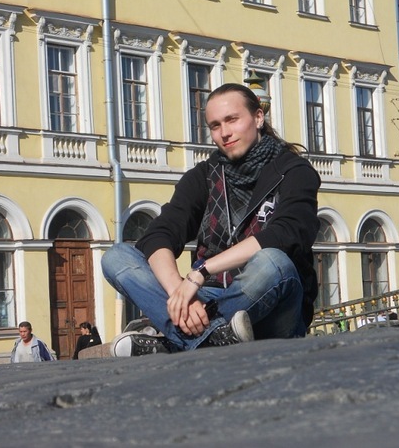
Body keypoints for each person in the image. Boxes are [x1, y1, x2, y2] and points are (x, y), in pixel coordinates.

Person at [102, 82, 321, 357]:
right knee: (117, 257)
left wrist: (200, 273)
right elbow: (159, 234)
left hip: (273, 305)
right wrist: (179, 292)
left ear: (258, 118)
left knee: (273, 262)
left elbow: (287, 233)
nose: (224, 132)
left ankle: (175, 342)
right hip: (208, 302)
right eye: (215, 126)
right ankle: (213, 336)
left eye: (232, 120)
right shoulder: (203, 176)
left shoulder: (293, 171)